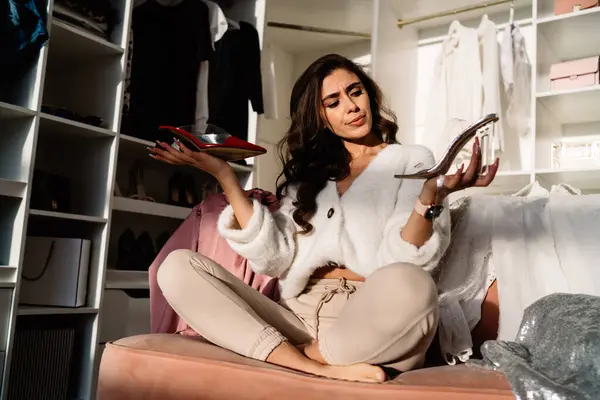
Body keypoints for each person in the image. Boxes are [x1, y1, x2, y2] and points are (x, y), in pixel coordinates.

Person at [148, 53, 500, 383]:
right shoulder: (310, 177)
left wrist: (428, 198)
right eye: (333, 103)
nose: (351, 107)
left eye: (355, 92)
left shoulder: (411, 161)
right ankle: (312, 365)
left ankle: (293, 358)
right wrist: (225, 175)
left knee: (415, 285)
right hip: (296, 317)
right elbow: (274, 258)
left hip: (371, 320)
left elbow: (409, 260)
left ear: (369, 95)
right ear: (320, 117)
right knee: (177, 267)